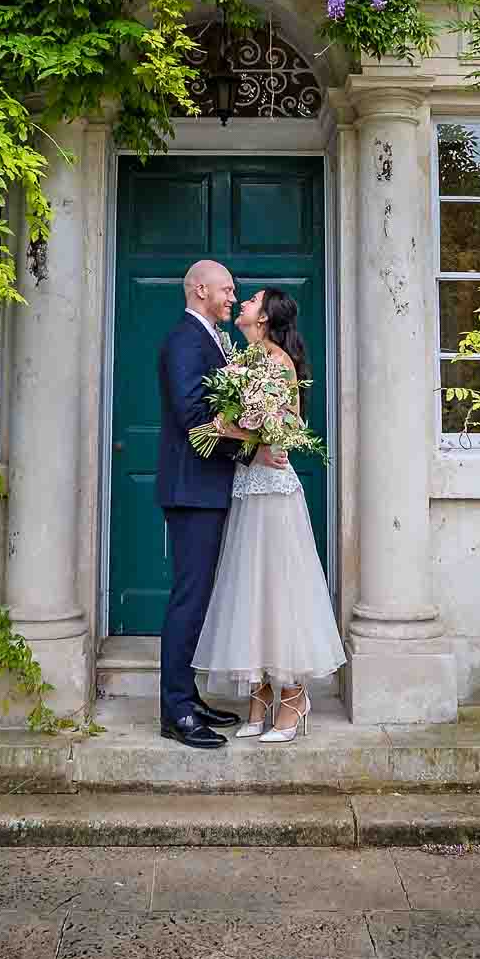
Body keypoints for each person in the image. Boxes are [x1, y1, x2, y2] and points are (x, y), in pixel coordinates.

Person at [192, 286, 345, 743]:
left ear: (264, 317)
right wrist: (235, 426)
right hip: (248, 486)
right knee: (248, 587)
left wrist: (231, 427)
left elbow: (289, 423)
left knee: (278, 587)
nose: (242, 302)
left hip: (275, 490)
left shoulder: (276, 361)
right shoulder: (244, 357)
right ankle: (259, 694)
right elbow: (244, 416)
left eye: (252, 300)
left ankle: (294, 697)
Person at [155, 258, 286, 749]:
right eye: (227, 289)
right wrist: (250, 440)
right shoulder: (184, 341)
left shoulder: (214, 338)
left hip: (210, 486)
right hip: (191, 489)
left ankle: (187, 696)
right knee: (189, 598)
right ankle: (175, 712)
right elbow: (195, 417)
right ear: (199, 289)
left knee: (201, 597)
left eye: (234, 291)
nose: (233, 297)